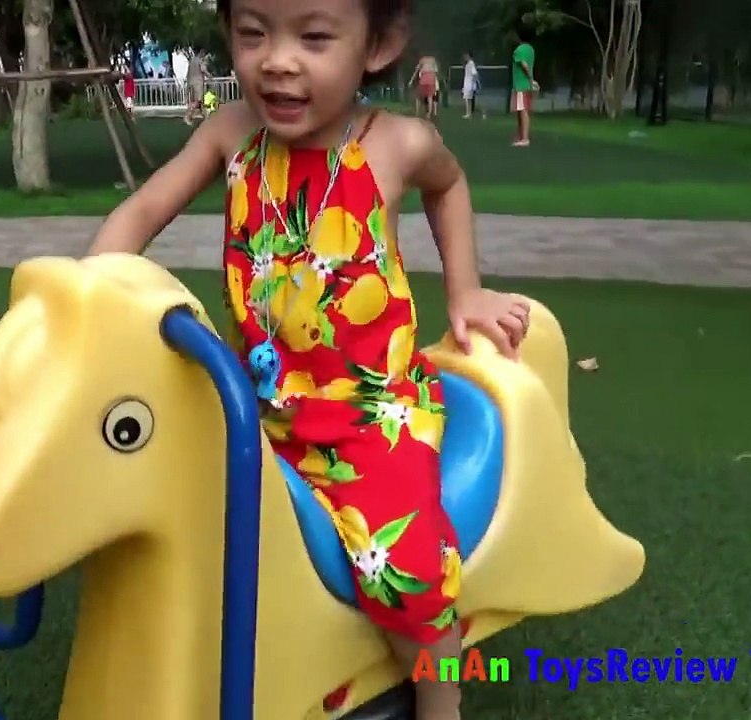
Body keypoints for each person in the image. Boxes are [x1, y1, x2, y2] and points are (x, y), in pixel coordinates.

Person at [84, 1, 531, 718]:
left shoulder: (396, 144)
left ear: (379, 44)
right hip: (258, 409)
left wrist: (467, 290)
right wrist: (90, 289)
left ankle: (438, 704)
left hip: (371, 419)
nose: (278, 60)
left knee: (405, 572)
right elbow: (143, 210)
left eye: (314, 37)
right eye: (253, 33)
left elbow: (449, 188)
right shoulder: (231, 134)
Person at [511, 28, 539, 147]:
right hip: (525, 85)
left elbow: (524, 64)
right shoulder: (531, 49)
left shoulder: (519, 50)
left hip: (521, 84)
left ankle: (525, 138)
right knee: (521, 110)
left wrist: (530, 79)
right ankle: (521, 135)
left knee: (523, 110)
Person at [410, 53, 439, 119]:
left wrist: (411, 80)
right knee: (429, 97)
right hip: (431, 78)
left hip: (425, 78)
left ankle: (418, 112)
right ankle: (428, 113)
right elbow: (436, 70)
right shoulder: (432, 60)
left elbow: (416, 70)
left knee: (419, 96)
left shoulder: (423, 60)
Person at [184, 51, 208, 125]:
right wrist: (209, 75)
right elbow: (203, 69)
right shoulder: (200, 61)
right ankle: (188, 116)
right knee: (198, 101)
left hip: (191, 82)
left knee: (198, 101)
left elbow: (188, 73)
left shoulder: (191, 61)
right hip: (198, 82)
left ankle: (205, 117)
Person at [461, 50, 480, 119]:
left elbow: (475, 74)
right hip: (467, 83)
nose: (465, 57)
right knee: (468, 99)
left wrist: (474, 83)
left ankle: (468, 113)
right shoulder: (468, 63)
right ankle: (468, 113)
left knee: (468, 99)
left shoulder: (471, 63)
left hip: (469, 84)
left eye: (466, 55)